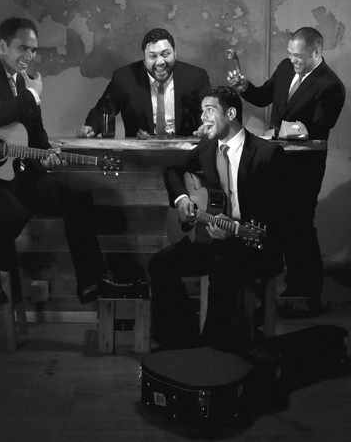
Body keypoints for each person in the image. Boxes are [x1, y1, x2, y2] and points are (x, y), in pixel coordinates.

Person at [0, 17, 137, 306]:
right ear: (2, 46)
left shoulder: (23, 82)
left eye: (33, 50)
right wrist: (32, 95)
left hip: (13, 177)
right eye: (22, 48)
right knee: (14, 214)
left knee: (78, 195)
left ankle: (90, 280)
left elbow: (36, 138)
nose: (29, 56)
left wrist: (45, 158)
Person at [149, 86, 286, 361]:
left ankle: (212, 347)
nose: (203, 117)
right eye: (203, 111)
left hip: (252, 242)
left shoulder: (267, 153)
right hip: (212, 237)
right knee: (160, 263)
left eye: (210, 110)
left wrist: (237, 227)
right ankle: (183, 338)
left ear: (231, 113)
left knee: (223, 264)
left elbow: (279, 209)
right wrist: (182, 199)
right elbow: (172, 168)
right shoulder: (207, 147)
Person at [227, 27, 346, 314]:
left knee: (299, 227)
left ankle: (307, 293)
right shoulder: (284, 67)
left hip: (304, 169)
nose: (292, 60)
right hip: (275, 163)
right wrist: (245, 87)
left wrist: (277, 132)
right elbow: (263, 97)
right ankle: (277, 292)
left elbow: (318, 130)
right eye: (290, 54)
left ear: (316, 52)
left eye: (298, 56)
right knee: (275, 224)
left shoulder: (331, 85)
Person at [77, 28, 210, 138]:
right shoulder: (124, 78)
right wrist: (92, 127)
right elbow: (104, 109)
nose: (160, 62)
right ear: (144, 59)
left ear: (175, 54)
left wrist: (206, 126)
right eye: (153, 56)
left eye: (165, 54)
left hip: (186, 154)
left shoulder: (195, 77)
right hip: (139, 155)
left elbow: (208, 112)